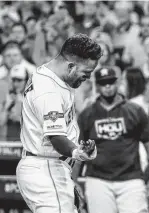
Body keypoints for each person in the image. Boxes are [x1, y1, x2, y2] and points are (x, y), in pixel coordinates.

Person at [16, 33, 101, 213]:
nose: (87, 78)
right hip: (46, 167)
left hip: (49, 167)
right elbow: (56, 137)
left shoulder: (49, 75)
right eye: (86, 73)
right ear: (70, 66)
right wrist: (77, 152)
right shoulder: (49, 91)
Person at [77, 67, 149, 213]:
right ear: (97, 85)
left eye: (111, 82)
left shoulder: (135, 111)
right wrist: (74, 182)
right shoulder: (87, 115)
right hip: (98, 180)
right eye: (103, 83)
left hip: (131, 179)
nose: (107, 86)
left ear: (118, 82)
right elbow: (78, 154)